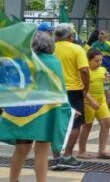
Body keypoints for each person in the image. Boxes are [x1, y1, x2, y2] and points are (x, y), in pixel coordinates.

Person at [0, 31, 72, 182]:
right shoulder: (53, 62)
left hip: (22, 111)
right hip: (45, 112)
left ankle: (13, 180)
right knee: (42, 151)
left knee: (20, 150)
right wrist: (66, 109)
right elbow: (59, 90)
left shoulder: (22, 60)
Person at [52, 23, 90, 170]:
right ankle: (67, 156)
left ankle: (56, 158)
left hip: (54, 90)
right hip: (73, 90)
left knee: (57, 123)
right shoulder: (76, 49)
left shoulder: (50, 49)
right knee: (75, 124)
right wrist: (86, 88)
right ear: (71, 36)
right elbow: (85, 71)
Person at [77, 50, 110, 160]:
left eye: (101, 60)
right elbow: (82, 89)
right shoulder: (84, 71)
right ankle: (82, 151)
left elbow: (106, 84)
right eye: (96, 61)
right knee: (87, 126)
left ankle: (102, 149)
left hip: (101, 100)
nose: (99, 63)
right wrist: (91, 101)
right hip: (88, 101)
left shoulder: (102, 69)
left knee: (106, 123)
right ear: (89, 60)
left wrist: (108, 78)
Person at [91, 31, 110, 108]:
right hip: (109, 67)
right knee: (109, 84)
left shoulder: (94, 44)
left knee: (99, 82)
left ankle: (100, 101)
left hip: (97, 66)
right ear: (107, 36)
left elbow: (90, 54)